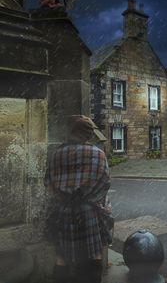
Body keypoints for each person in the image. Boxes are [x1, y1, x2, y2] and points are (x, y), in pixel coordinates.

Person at [44, 115, 113, 283]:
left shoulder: (56, 154)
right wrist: (93, 201)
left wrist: (64, 198)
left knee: (62, 256)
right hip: (89, 210)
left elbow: (48, 183)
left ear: (70, 132)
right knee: (94, 254)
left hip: (63, 210)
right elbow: (105, 183)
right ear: (88, 134)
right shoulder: (98, 154)